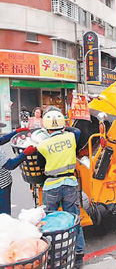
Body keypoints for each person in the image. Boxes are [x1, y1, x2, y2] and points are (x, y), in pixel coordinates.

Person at [36, 107, 85, 268]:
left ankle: (53, 255)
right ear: (62, 125)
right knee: (74, 219)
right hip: (70, 184)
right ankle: (78, 255)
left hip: (51, 186)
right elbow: (76, 130)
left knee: (49, 221)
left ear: (46, 127)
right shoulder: (71, 137)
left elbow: (40, 165)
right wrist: (65, 127)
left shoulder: (42, 145)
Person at [0, 124, 36, 214]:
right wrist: (24, 154)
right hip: (2, 186)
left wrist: (16, 132)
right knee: (5, 215)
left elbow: (2, 139)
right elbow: (10, 165)